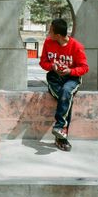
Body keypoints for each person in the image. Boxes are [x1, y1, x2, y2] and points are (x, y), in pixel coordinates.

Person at [39, 18, 89, 151]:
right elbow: (43, 63)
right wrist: (52, 66)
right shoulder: (48, 43)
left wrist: (70, 70)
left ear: (58, 35)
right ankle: (61, 135)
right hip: (54, 78)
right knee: (66, 98)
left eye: (50, 31)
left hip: (72, 79)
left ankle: (60, 129)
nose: (48, 33)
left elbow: (84, 68)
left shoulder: (76, 46)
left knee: (66, 93)